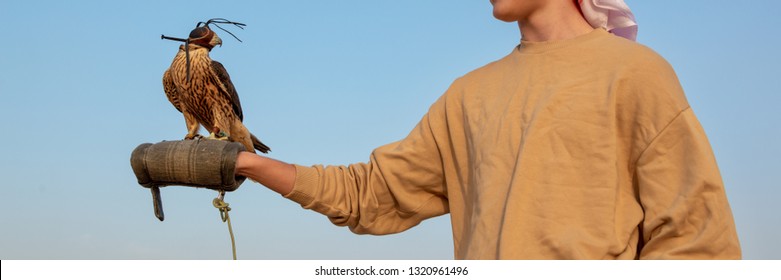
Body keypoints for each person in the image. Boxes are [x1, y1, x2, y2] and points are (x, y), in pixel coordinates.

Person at [231, 0, 742, 259]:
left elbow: (697, 240)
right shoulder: (467, 95)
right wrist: (246, 163)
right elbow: (372, 194)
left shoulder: (634, 74)